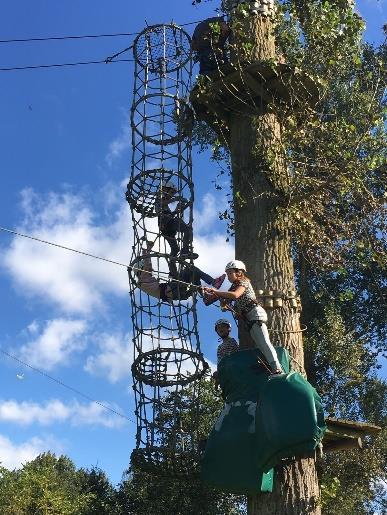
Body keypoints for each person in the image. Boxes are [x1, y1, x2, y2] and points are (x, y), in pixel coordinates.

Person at [203, 260, 283, 374]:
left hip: (255, 314)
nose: (228, 276)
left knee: (264, 342)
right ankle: (271, 368)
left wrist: (217, 292)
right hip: (249, 318)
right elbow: (224, 306)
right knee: (260, 344)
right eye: (227, 273)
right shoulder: (233, 287)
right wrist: (213, 294)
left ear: (239, 272)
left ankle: (277, 368)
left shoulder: (244, 282)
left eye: (230, 273)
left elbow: (235, 295)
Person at [132, 241, 225, 304]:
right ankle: (212, 283)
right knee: (189, 270)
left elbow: (147, 265)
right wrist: (147, 251)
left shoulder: (144, 280)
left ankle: (205, 294)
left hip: (175, 290)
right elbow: (147, 263)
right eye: (147, 268)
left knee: (191, 270)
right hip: (175, 290)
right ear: (141, 270)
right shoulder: (142, 279)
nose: (150, 269)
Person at [155, 179, 197, 259]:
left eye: (173, 194)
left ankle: (172, 268)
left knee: (175, 249)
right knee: (187, 230)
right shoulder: (159, 199)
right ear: (164, 189)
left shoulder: (165, 205)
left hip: (166, 228)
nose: (171, 195)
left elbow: (168, 213)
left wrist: (177, 210)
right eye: (171, 192)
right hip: (167, 223)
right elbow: (162, 204)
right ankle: (185, 251)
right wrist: (176, 199)